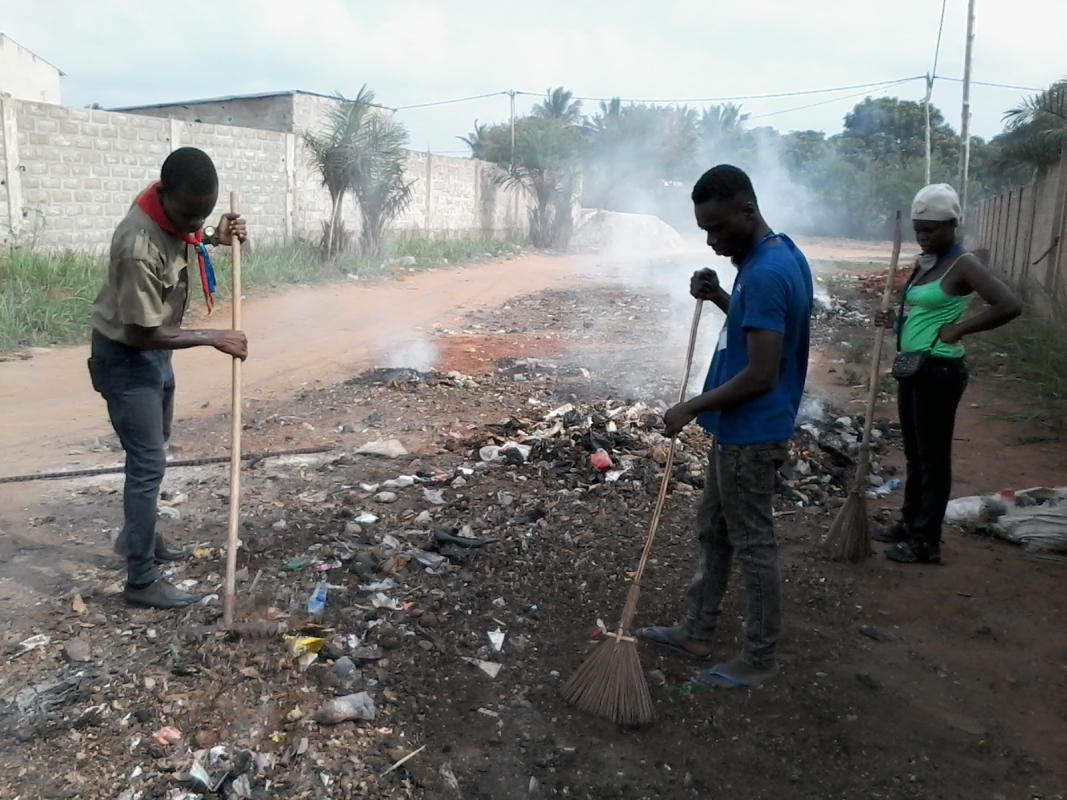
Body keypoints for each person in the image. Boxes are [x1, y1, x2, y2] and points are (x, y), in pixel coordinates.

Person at [636, 165, 813, 689]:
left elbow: (762, 373)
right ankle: (696, 628)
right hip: (740, 429)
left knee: (754, 544)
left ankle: (758, 658)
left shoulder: (763, 272)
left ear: (747, 210)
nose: (712, 242)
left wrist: (690, 406)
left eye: (718, 229)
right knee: (714, 530)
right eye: (703, 232)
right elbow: (758, 327)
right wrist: (718, 297)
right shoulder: (779, 254)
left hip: (751, 433)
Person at [88, 147, 248, 609]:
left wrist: (214, 237)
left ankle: (137, 538)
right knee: (147, 466)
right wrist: (212, 337)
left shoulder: (174, 214)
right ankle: (140, 580)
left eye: (205, 214)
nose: (195, 223)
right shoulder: (137, 244)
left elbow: (185, 239)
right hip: (127, 356)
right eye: (189, 215)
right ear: (164, 195)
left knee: (155, 445)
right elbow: (141, 333)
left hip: (155, 354)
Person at [873, 183, 1021, 564]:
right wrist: (893, 320)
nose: (923, 236)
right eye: (919, 229)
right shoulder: (927, 263)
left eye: (932, 229)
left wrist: (960, 329)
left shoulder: (962, 263)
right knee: (914, 454)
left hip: (939, 370)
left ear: (953, 224)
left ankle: (926, 541)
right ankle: (909, 524)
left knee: (932, 458)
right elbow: (921, 313)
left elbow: (1008, 305)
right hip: (913, 367)